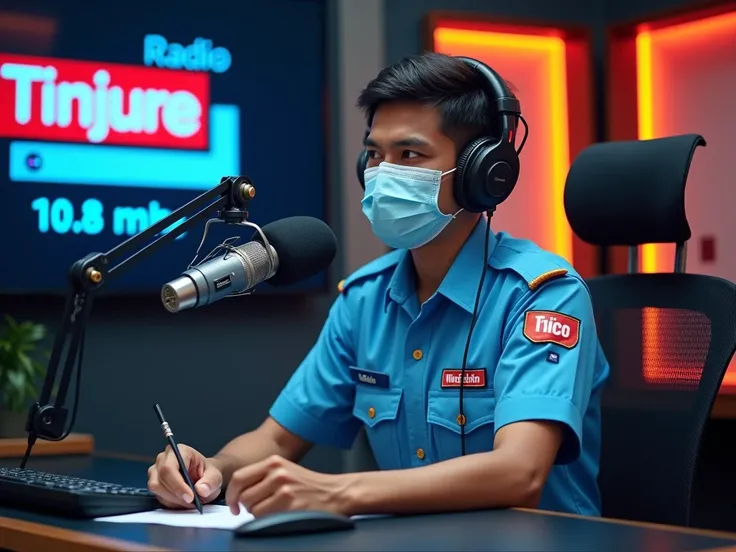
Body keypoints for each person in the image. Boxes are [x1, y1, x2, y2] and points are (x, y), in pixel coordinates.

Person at [147, 52, 610, 519]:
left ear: (482, 174)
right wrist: (212, 471)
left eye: (409, 155)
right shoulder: (364, 299)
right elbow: (275, 439)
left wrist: (338, 493)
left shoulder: (542, 295)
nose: (382, 174)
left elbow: (519, 473)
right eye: (374, 155)